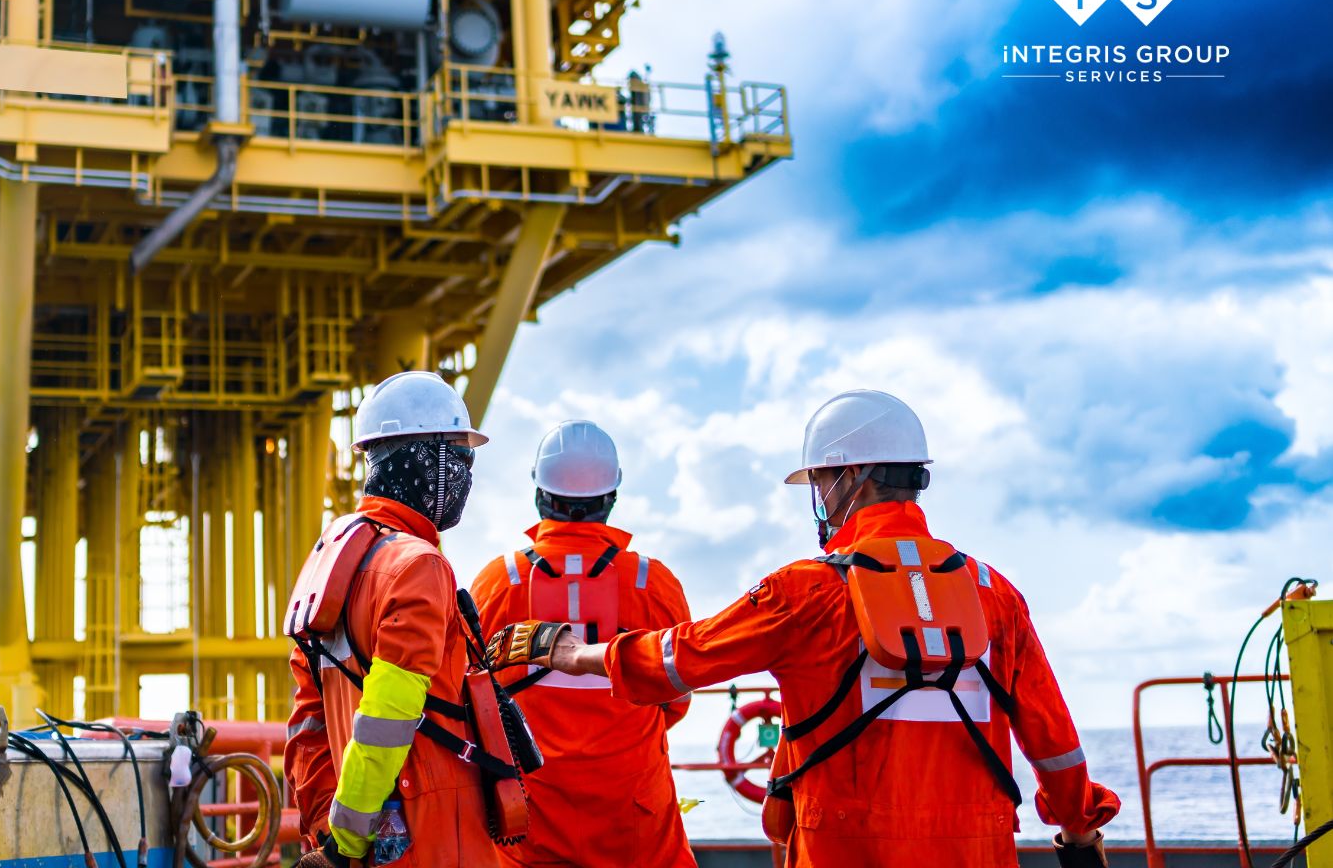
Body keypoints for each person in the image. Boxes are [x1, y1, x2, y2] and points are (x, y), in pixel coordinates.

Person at [491, 390, 1122, 868]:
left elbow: (682, 658)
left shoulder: (808, 591)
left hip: (845, 845)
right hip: (975, 845)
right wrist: (1077, 827)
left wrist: (573, 653)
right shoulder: (995, 594)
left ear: (852, 478)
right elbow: (1053, 740)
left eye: (820, 480)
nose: (818, 495)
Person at [284, 371, 501, 867]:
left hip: (361, 840)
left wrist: (329, 836)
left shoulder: (332, 563)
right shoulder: (417, 565)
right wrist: (349, 840)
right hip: (433, 839)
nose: (465, 473)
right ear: (422, 459)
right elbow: (388, 716)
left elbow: (308, 724)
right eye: (459, 456)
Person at [468, 420, 697, 868]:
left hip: (526, 825)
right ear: (611, 497)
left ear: (539, 493)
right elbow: (677, 697)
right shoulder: (653, 585)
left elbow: (470, 692)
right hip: (635, 822)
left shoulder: (498, 583)